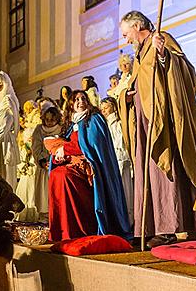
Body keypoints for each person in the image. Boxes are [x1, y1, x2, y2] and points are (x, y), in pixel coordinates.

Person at [119, 10, 196, 246]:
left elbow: (186, 70)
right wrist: (126, 97)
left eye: (127, 34)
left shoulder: (161, 38)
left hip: (164, 123)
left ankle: (175, 226)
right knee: (150, 176)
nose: (126, 40)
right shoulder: (139, 55)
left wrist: (164, 55)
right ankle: (154, 226)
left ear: (137, 26)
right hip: (145, 125)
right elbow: (138, 85)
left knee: (168, 172)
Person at [47, 91, 131, 242]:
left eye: (83, 98)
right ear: (71, 104)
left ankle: (81, 228)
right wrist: (58, 152)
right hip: (74, 164)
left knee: (64, 176)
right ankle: (64, 231)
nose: (80, 101)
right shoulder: (71, 124)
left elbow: (91, 144)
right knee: (56, 174)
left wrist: (65, 150)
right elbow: (68, 143)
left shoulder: (94, 119)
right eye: (76, 99)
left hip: (92, 169)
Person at [100, 97, 134, 226]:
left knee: (126, 193)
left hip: (121, 161)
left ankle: (128, 222)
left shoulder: (118, 123)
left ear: (113, 107)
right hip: (110, 163)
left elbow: (121, 143)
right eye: (102, 109)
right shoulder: (104, 124)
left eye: (106, 108)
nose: (104, 111)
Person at [31, 102, 61, 222]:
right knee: (43, 195)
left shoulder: (61, 129)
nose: (49, 122)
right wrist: (42, 162)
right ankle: (44, 217)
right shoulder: (39, 129)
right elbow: (36, 147)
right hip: (43, 167)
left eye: (52, 120)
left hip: (56, 166)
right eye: (47, 119)